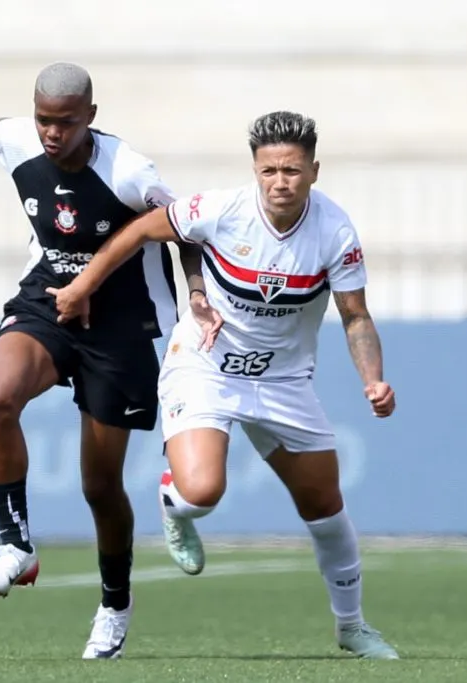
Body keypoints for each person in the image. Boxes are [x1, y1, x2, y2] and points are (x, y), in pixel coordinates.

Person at [46, 111, 400, 660]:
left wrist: (373, 380)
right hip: (207, 365)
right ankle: (175, 502)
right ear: (255, 171)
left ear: (314, 171)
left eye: (292, 170)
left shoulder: (336, 231)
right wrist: (83, 286)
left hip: (284, 380)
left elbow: (355, 315)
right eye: (269, 171)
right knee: (203, 491)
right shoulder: (221, 210)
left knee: (326, 508)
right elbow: (142, 228)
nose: (280, 182)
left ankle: (351, 626)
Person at [0, 62, 216, 660]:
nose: (51, 133)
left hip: (121, 326)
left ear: (90, 119)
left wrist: (198, 295)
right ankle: (15, 545)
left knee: (99, 487)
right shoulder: (22, 139)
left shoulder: (129, 172)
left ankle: (114, 606)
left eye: (65, 123)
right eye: (45, 120)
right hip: (48, 301)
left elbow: (186, 230)